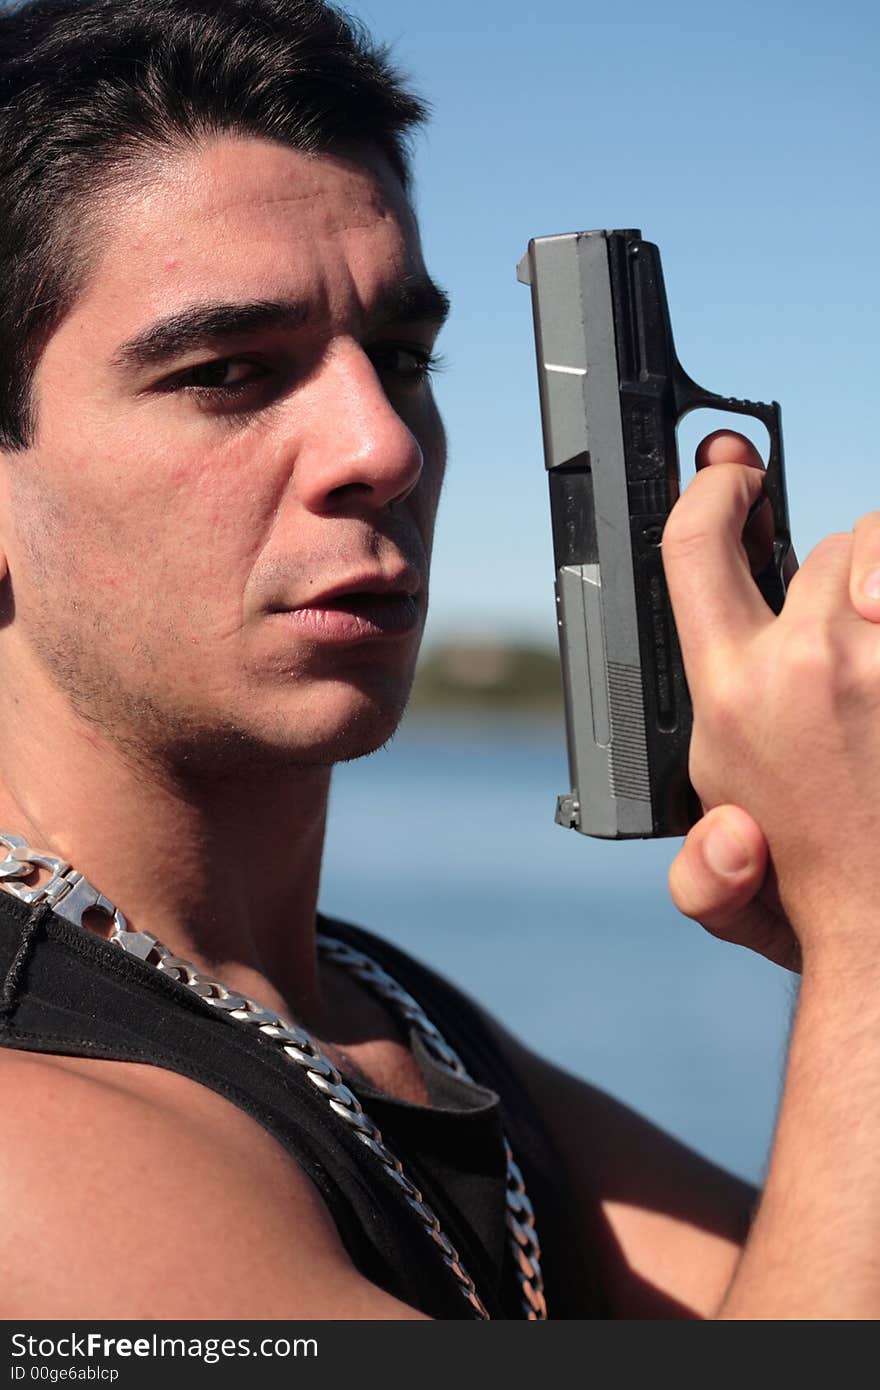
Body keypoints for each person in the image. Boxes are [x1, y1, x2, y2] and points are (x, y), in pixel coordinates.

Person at [0, 0, 877, 1322]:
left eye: (401, 357)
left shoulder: (382, 1015)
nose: (386, 445)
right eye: (231, 370)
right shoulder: (29, 1132)